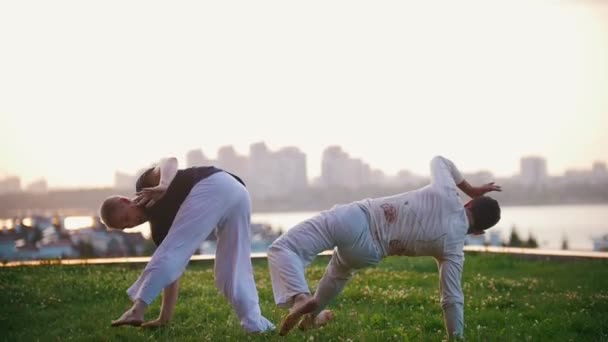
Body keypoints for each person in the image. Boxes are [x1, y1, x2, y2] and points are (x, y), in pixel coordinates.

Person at [267, 155, 501, 338]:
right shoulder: (453, 251)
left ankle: (300, 297)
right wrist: (455, 338)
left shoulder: (448, 193)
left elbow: (439, 160)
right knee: (338, 272)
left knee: (284, 248)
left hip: (358, 219)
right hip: (368, 253)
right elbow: (452, 299)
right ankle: (311, 318)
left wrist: (469, 187)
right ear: (479, 232)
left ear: (468, 203)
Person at [99, 157, 275, 333]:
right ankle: (258, 326)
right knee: (231, 271)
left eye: (125, 218)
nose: (131, 224)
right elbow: (172, 273)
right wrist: (164, 318)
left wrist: (164, 185)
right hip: (238, 193)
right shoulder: (160, 230)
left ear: (125, 201)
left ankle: (137, 310)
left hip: (214, 184)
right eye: (125, 226)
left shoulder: (145, 185)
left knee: (170, 254)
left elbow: (169, 161)